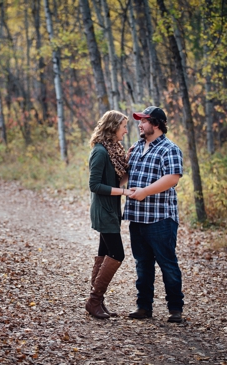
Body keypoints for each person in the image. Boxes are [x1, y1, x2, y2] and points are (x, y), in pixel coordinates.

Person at [124, 106, 186, 323]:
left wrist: (145, 192)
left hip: (160, 218)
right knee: (142, 263)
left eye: (143, 121)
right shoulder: (136, 147)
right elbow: (125, 179)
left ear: (156, 124)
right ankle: (143, 306)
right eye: (139, 121)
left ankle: (175, 309)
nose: (139, 125)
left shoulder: (169, 149)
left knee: (167, 263)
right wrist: (123, 161)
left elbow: (172, 178)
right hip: (137, 217)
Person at [85, 111, 131, 319]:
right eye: (123, 126)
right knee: (117, 254)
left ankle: (97, 302)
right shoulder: (101, 152)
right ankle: (94, 300)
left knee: (104, 253)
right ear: (113, 127)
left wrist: (128, 165)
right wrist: (123, 191)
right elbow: (94, 185)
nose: (125, 130)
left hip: (111, 209)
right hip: (103, 211)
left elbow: (114, 182)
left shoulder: (113, 150)